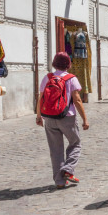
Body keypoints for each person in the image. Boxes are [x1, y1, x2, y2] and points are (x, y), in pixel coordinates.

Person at [36, 52, 89, 189]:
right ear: (68, 64)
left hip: (49, 117)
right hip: (67, 117)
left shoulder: (48, 78)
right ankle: (68, 170)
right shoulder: (71, 78)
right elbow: (77, 100)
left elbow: (41, 97)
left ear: (54, 63)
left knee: (55, 150)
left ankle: (59, 182)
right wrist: (85, 119)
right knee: (75, 143)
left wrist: (38, 116)